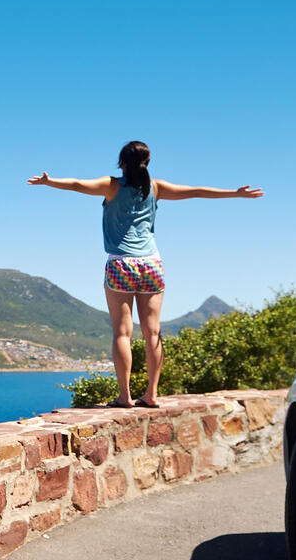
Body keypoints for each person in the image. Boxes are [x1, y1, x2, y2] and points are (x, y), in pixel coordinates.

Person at [28, 141, 263, 408]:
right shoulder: (156, 187)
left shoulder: (111, 185)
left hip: (121, 264)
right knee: (153, 332)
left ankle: (125, 396)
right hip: (151, 263)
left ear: (121, 162)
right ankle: (152, 394)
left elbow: (77, 185)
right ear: (147, 162)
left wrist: (49, 181)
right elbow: (196, 192)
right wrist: (235, 193)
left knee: (122, 332)